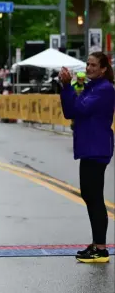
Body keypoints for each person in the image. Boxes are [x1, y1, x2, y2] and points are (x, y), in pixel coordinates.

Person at [59, 51, 115, 263]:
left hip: (97, 147)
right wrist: (66, 87)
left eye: (93, 65)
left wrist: (67, 87)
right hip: (89, 147)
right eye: (88, 64)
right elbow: (70, 111)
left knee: (94, 197)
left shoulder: (104, 89)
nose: (89, 68)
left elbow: (80, 108)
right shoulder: (92, 87)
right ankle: (97, 243)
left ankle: (100, 248)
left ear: (103, 69)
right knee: (90, 196)